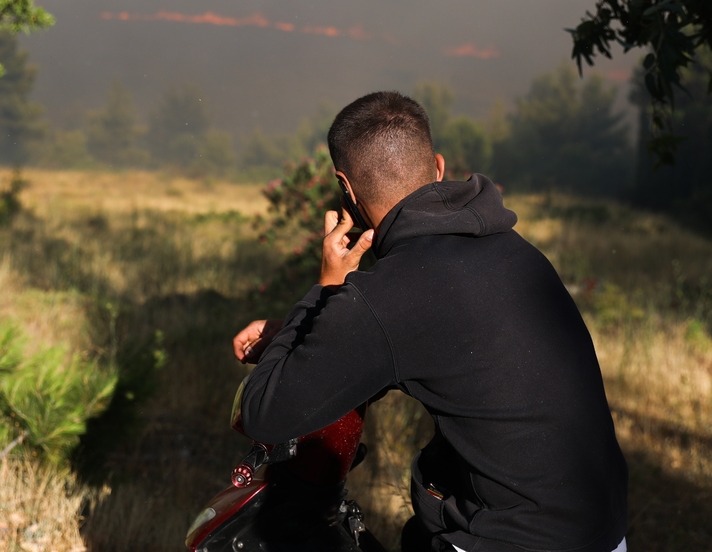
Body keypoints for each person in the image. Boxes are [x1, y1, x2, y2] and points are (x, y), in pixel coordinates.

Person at [232, 91, 628, 552]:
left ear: (347, 188)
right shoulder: (512, 250)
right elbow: (398, 348)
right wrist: (297, 330)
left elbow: (267, 414)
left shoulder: (391, 294)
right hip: (599, 531)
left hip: (510, 541)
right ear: (437, 168)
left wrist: (326, 291)